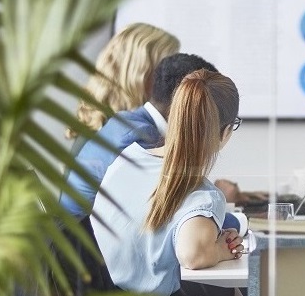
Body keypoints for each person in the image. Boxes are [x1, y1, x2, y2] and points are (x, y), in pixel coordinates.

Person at [92, 69, 243, 295]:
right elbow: (192, 256)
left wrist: (214, 238)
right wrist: (220, 251)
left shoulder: (128, 159)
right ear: (226, 131)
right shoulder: (204, 196)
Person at [60, 53, 219, 219]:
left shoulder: (127, 119)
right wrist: (234, 218)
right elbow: (165, 212)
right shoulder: (142, 138)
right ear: (185, 99)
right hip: (82, 238)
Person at [65, 22, 179, 142]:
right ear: (139, 73)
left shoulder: (104, 129)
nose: (175, 79)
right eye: (167, 68)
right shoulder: (124, 140)